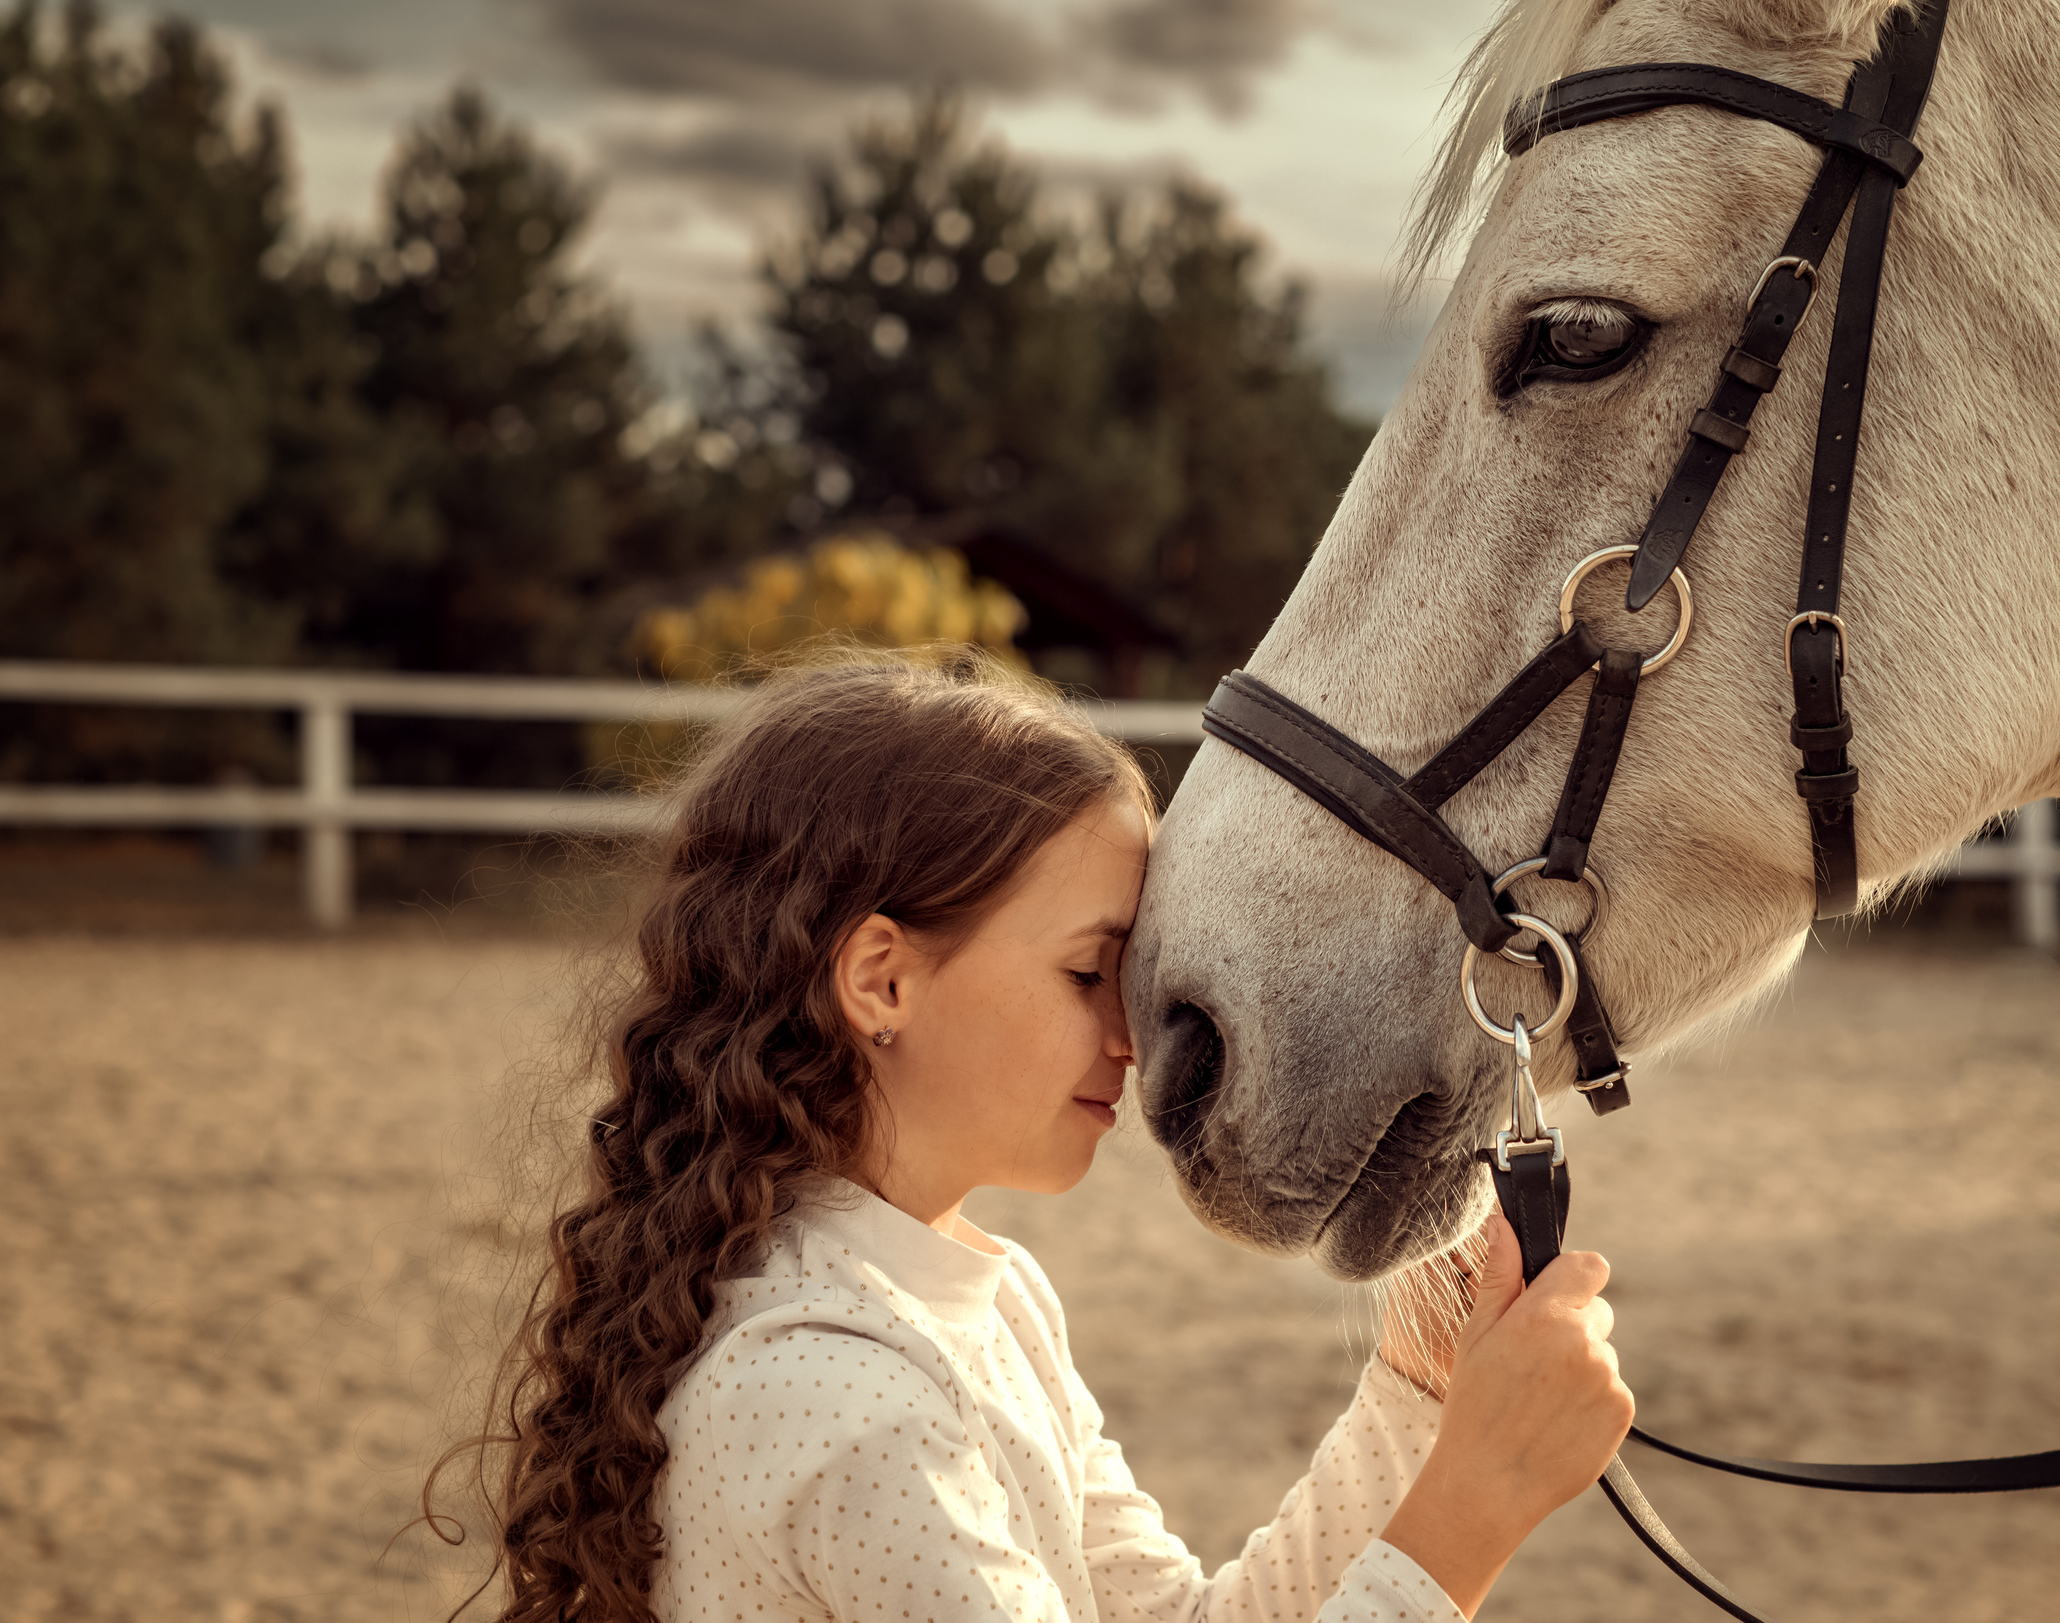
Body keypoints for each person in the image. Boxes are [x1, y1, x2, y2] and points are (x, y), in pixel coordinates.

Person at [441, 651, 1633, 1622]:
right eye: (1087, 970)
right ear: (880, 981)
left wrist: (1416, 1391)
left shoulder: (981, 1297)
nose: (1132, 1033)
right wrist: (1468, 1516)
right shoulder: (839, 1398)